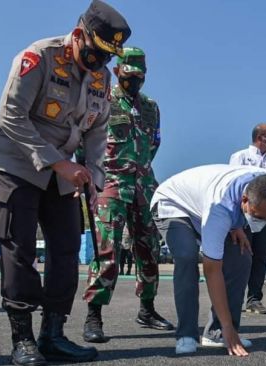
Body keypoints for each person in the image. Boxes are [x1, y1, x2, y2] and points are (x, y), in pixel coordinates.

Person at [0, 1, 130, 364]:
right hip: (16, 163)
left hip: (64, 176)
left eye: (107, 56)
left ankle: (53, 334)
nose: (99, 62)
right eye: (95, 52)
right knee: (20, 250)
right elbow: (10, 115)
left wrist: (94, 178)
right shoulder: (39, 56)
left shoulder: (101, 77)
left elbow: (97, 132)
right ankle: (23, 338)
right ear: (79, 35)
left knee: (65, 249)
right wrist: (58, 163)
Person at [82, 47, 173, 343]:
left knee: (148, 249)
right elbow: (85, 142)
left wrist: (140, 168)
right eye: (129, 75)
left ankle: (147, 309)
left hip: (144, 186)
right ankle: (94, 316)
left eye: (140, 77)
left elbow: (154, 142)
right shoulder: (103, 99)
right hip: (111, 183)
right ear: (118, 71)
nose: (134, 81)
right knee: (106, 249)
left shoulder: (151, 107)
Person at [151, 164, 266, 356]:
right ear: (245, 200)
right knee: (187, 256)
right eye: (257, 216)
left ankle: (216, 334)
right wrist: (228, 325)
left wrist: (238, 223)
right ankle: (187, 334)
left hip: (205, 203)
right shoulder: (220, 209)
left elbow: (246, 206)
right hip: (174, 204)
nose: (260, 222)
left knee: (242, 256)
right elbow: (212, 270)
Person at [229, 123, 266, 314]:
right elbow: (233, 182)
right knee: (242, 255)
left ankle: (254, 298)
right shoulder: (240, 156)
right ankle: (233, 297)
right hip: (248, 214)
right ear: (259, 137)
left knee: (261, 256)